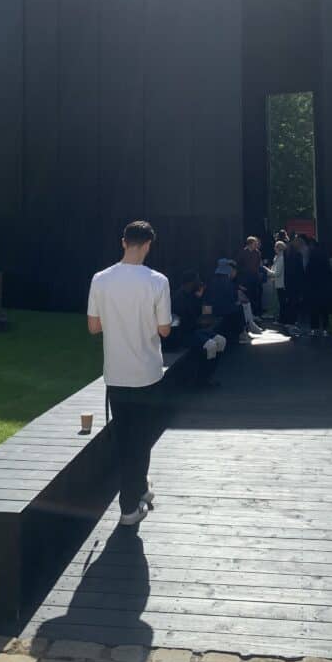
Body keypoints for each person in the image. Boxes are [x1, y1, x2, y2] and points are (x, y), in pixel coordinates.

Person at [87, 220, 172, 526]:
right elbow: (164, 330)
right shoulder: (158, 281)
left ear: (123, 242)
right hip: (148, 372)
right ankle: (128, 505)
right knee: (142, 439)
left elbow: (94, 327)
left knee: (127, 439)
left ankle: (139, 489)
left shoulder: (100, 279)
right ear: (148, 244)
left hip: (116, 372)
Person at [169, 271, 227, 385]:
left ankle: (208, 375)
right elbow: (188, 320)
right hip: (183, 334)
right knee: (210, 345)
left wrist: (201, 297)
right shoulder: (179, 297)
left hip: (194, 330)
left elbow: (204, 314)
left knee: (221, 340)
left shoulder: (192, 294)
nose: (199, 282)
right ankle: (201, 379)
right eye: (196, 280)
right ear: (190, 283)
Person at [202, 258, 251, 344]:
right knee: (240, 307)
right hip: (224, 309)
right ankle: (242, 333)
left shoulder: (211, 280)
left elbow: (206, 298)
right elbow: (233, 299)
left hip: (211, 309)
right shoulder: (228, 282)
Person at [305, 240, 332, 338]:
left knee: (314, 309)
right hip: (323, 288)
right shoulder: (325, 260)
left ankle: (313, 328)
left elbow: (307, 275)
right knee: (324, 309)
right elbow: (329, 273)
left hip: (313, 288)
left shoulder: (311, 261)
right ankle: (325, 329)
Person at [236, 236, 263, 316]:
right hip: (245, 277)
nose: (256, 245)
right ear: (250, 244)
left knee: (255, 296)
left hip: (254, 277)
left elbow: (258, 264)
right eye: (255, 243)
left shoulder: (257, 253)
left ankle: (255, 314)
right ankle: (247, 315)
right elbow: (238, 264)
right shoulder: (242, 252)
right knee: (246, 296)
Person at [283, 237, 306, 326]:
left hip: (289, 281)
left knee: (289, 301)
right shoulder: (298, 254)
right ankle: (293, 320)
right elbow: (300, 270)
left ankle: (289, 320)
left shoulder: (287, 254)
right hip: (296, 281)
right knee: (295, 301)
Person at [271, 240, 287, 322]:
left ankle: (282, 319)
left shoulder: (281, 258)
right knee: (280, 301)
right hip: (278, 282)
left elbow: (277, 273)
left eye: (275, 247)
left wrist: (267, 271)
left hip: (281, 283)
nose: (274, 248)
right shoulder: (277, 257)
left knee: (282, 302)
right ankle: (280, 317)